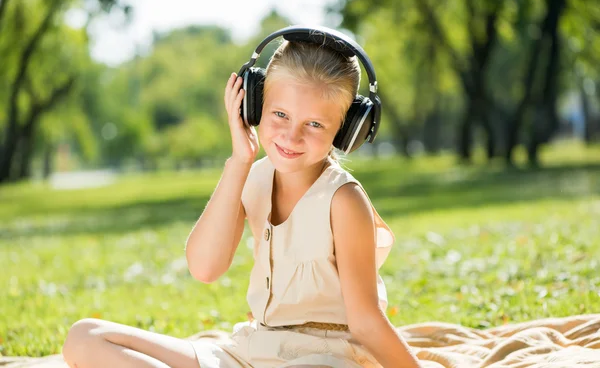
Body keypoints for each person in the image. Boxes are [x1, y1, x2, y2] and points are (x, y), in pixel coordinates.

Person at [61, 26, 422, 368]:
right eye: (279, 114)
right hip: (253, 350)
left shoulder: (343, 200)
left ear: (347, 131)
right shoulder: (253, 177)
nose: (291, 136)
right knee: (85, 337)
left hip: (326, 356)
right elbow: (205, 268)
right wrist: (240, 160)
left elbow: (366, 323)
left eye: (314, 124)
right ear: (253, 106)